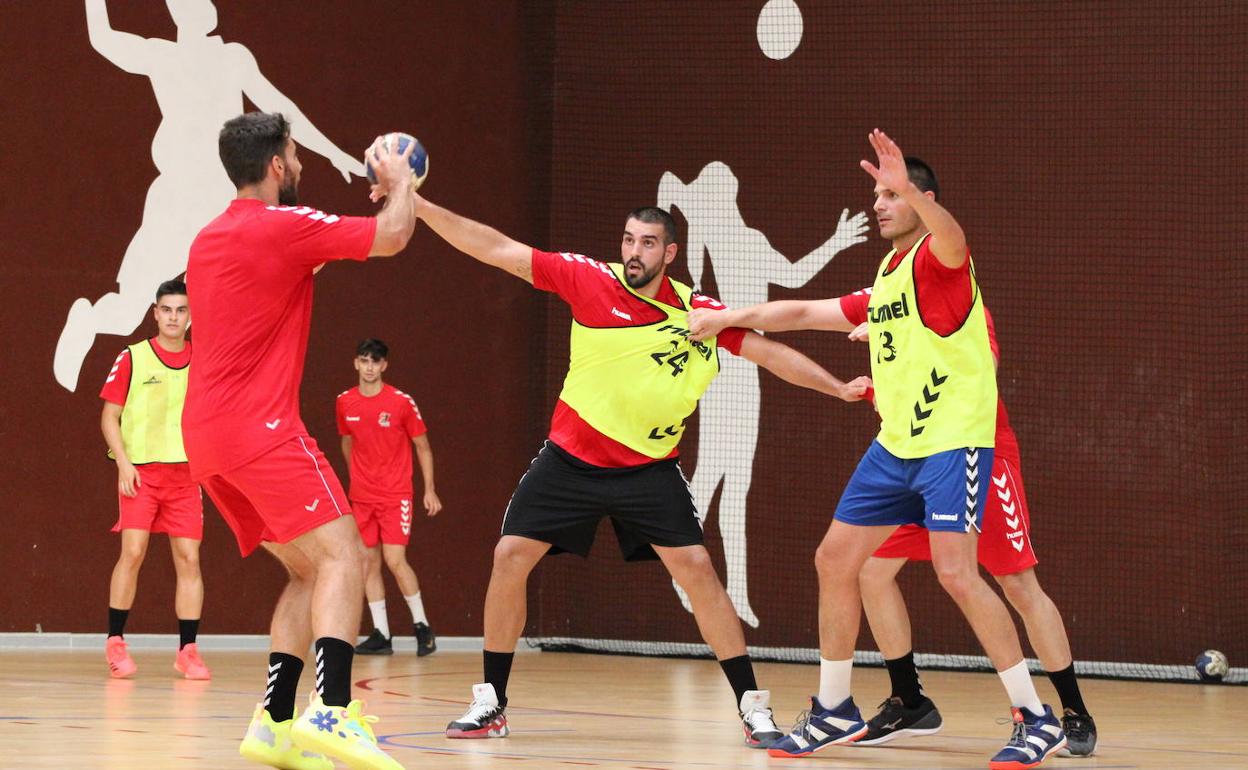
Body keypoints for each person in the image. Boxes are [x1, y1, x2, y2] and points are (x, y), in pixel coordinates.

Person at [405, 192, 869, 748]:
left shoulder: (700, 314)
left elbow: (772, 355)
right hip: (569, 459)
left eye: (647, 243)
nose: (633, 252)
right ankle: (491, 702)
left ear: (669, 252)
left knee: (697, 568)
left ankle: (752, 707)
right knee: (509, 556)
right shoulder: (588, 280)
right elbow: (499, 250)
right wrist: (426, 208)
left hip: (649, 469)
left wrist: (838, 387)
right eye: (628, 240)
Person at [687, 129, 1067, 769]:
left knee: (956, 573)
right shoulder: (889, 276)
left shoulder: (940, 265)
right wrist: (728, 317)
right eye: (876, 194)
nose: (878, 203)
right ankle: (834, 708)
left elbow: (953, 239)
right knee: (835, 559)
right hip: (898, 445)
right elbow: (805, 313)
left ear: (920, 199)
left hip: (953, 443)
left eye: (890, 194)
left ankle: (1035, 716)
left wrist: (916, 191)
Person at [183, 111, 418, 770]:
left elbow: (284, 277)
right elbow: (394, 237)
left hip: (206, 435)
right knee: (345, 555)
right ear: (278, 166)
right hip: (260, 429)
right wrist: (402, 180)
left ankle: (275, 720)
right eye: (297, 155)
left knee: (305, 568)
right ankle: (335, 711)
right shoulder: (284, 227)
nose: (304, 166)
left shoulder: (207, 239)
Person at [99, 278, 209, 681]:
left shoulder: (204, 360)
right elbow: (109, 416)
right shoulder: (132, 357)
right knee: (133, 553)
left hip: (186, 476)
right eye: (167, 310)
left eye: (181, 310)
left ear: (190, 317)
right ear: (155, 312)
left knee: (189, 559)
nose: (173, 317)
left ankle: (188, 651)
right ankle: (115, 642)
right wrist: (123, 464)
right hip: (140, 475)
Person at [338, 338, 443, 657]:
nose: (370, 367)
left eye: (376, 361)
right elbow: (347, 442)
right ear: (356, 363)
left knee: (395, 560)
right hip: (362, 496)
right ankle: (382, 633)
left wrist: (429, 489)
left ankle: (422, 627)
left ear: (384, 365)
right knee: (369, 563)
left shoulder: (400, 402)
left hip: (396, 494)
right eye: (364, 360)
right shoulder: (344, 402)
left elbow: (422, 446)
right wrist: (357, 477)